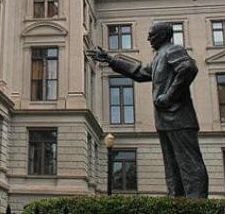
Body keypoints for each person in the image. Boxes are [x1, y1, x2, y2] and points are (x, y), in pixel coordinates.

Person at [88, 22, 208, 198]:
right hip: (166, 120)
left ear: (162, 35)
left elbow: (189, 68)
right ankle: (177, 201)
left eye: (151, 35)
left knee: (189, 164)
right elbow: (139, 72)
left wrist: (169, 96)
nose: (148, 39)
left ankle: (197, 204)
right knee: (172, 166)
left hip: (179, 118)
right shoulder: (160, 56)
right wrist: (110, 60)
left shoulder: (173, 50)